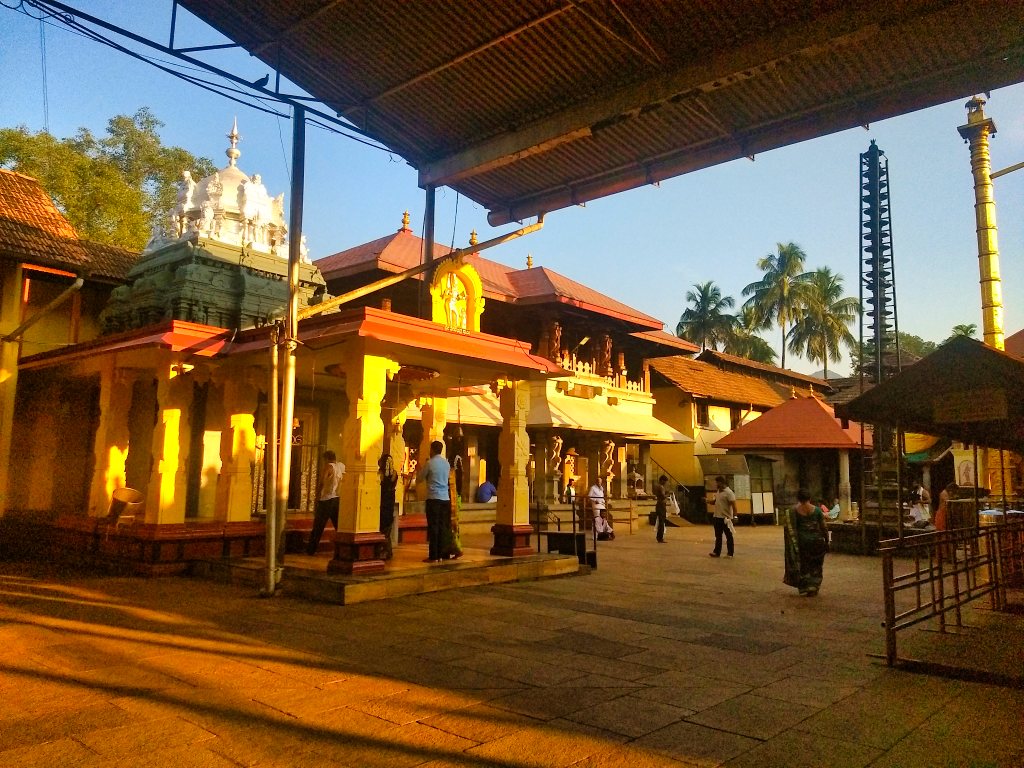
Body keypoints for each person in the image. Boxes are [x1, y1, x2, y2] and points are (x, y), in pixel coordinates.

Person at [783, 488, 829, 596]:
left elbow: (792, 528)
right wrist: (827, 540)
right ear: (810, 498)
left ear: (798, 498)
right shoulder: (817, 510)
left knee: (805, 565)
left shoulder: (794, 511)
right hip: (817, 542)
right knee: (816, 565)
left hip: (802, 542)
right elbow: (824, 527)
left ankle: (805, 587)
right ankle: (814, 586)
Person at [307, 450, 345, 555]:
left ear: (326, 458)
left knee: (318, 526)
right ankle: (342, 548)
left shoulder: (328, 467)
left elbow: (322, 481)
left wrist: (317, 495)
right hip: (336, 498)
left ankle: (311, 549)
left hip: (326, 499)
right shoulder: (340, 466)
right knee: (339, 526)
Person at [419, 440, 451, 563]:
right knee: (442, 526)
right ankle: (442, 554)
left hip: (433, 498)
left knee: (433, 527)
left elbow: (420, 479)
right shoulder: (446, 463)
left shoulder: (430, 463)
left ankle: (434, 556)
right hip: (445, 498)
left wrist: (420, 468)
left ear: (432, 449)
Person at [709, 475, 736, 557]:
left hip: (726, 518)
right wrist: (707, 501)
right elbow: (715, 501)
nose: (716, 484)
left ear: (722, 483)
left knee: (729, 536)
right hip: (717, 517)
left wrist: (735, 516)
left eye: (717, 482)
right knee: (718, 536)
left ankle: (730, 553)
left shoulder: (729, 492)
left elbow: (734, 505)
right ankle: (717, 552)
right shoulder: (718, 492)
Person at [378, 454, 399, 560]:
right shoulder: (395, 474)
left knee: (382, 528)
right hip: (390, 503)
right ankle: (388, 551)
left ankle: (384, 550)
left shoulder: (380, 474)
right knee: (387, 528)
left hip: (382, 503)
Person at [652, 475, 669, 543]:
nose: (665, 483)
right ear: (662, 481)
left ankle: (659, 536)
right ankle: (660, 537)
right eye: (665, 481)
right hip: (661, 505)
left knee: (661, 521)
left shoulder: (657, 486)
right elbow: (662, 496)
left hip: (659, 505)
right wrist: (668, 494)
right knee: (661, 522)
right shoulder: (660, 487)